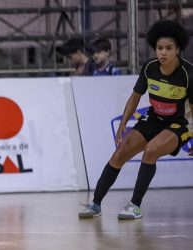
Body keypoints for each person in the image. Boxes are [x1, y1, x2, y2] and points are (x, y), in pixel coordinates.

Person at [78, 20, 193, 220]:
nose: (163, 53)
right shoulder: (149, 68)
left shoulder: (188, 74)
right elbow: (135, 97)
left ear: (178, 50)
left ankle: (135, 206)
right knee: (118, 154)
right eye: (159, 48)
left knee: (151, 150)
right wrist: (123, 123)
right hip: (153, 118)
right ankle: (95, 205)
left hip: (178, 124)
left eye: (168, 48)